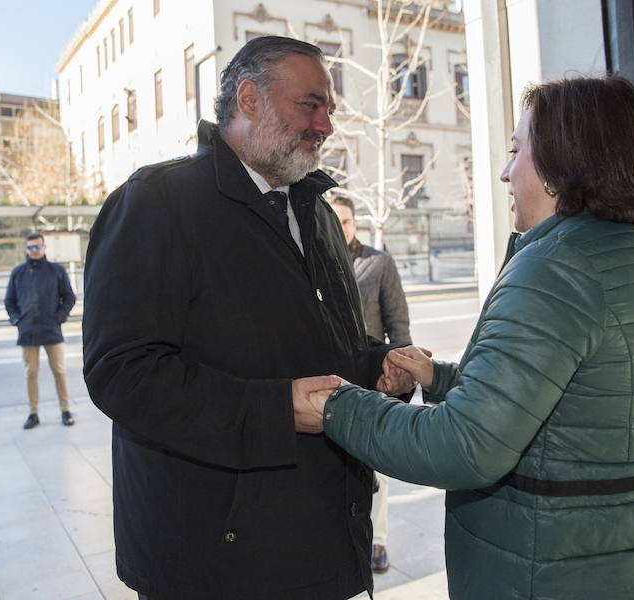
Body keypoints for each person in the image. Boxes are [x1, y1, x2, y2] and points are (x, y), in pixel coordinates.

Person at [303, 76, 634, 599]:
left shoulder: (556, 267)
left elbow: (464, 447)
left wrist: (338, 406)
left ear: (561, 170)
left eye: (517, 151)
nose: (504, 172)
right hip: (633, 562)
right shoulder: (618, 250)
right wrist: (441, 377)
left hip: (558, 572)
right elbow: (562, 406)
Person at [82, 36, 412, 600]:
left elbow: (324, 349)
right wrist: (274, 410)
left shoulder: (318, 215)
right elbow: (123, 373)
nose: (325, 125)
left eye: (328, 108)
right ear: (250, 99)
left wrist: (378, 366)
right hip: (216, 561)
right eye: (310, 104)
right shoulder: (157, 203)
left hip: (320, 544)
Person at [329, 195, 409, 574]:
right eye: (334, 220)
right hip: (335, 382)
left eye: (345, 221)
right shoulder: (319, 262)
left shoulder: (378, 262)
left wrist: (399, 370)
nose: (339, 227)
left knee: (378, 465)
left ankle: (378, 541)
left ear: (355, 224)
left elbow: (399, 324)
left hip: (373, 376)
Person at [4, 232, 76, 429]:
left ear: (44, 247)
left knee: (59, 371)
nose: (34, 251)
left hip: (51, 329)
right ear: (26, 250)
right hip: (27, 331)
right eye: (31, 248)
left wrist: (59, 317)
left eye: (37, 247)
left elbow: (69, 297)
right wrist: (17, 319)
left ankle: (65, 410)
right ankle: (33, 413)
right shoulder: (18, 272)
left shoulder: (56, 271)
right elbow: (9, 301)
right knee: (31, 373)